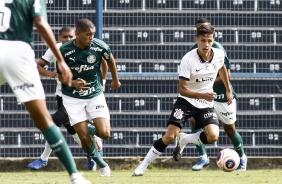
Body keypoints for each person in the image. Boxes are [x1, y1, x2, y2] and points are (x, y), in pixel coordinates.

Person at [0, 1, 90, 184]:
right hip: (18, 52)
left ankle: (50, 158)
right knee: (44, 119)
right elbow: (41, 23)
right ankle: (75, 175)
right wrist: (60, 61)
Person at [132, 24, 233, 176]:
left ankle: (185, 139)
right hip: (186, 101)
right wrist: (202, 95)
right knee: (170, 136)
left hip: (205, 103)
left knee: (213, 136)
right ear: (197, 40)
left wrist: (228, 90)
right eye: (203, 40)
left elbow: (222, 69)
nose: (206, 44)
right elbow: (182, 89)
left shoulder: (218, 54)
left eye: (210, 41)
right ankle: (142, 167)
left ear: (214, 40)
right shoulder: (188, 59)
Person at [27, 26, 104, 172]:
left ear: (76, 35)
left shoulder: (86, 47)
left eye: (70, 37)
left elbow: (104, 60)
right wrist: (51, 74)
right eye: (65, 37)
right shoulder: (56, 49)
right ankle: (91, 149)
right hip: (62, 94)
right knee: (72, 128)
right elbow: (38, 66)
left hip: (80, 95)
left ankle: (43, 158)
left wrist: (103, 81)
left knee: (54, 122)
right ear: (60, 38)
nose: (68, 40)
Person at [57, 18, 121, 177]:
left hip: (94, 94)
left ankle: (90, 129)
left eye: (93, 34)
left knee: (105, 133)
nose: (91, 37)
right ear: (77, 34)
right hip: (72, 97)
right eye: (88, 34)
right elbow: (60, 76)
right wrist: (72, 82)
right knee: (84, 138)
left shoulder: (99, 46)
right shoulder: (64, 51)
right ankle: (103, 165)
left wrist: (115, 79)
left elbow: (110, 60)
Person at [183, 18, 247, 171]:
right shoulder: (193, 51)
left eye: (204, 30)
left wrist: (210, 83)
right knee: (194, 121)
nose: (202, 33)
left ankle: (242, 157)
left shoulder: (217, 49)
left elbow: (227, 74)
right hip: (204, 98)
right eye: (199, 31)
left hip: (221, 97)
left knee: (230, 129)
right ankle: (203, 157)